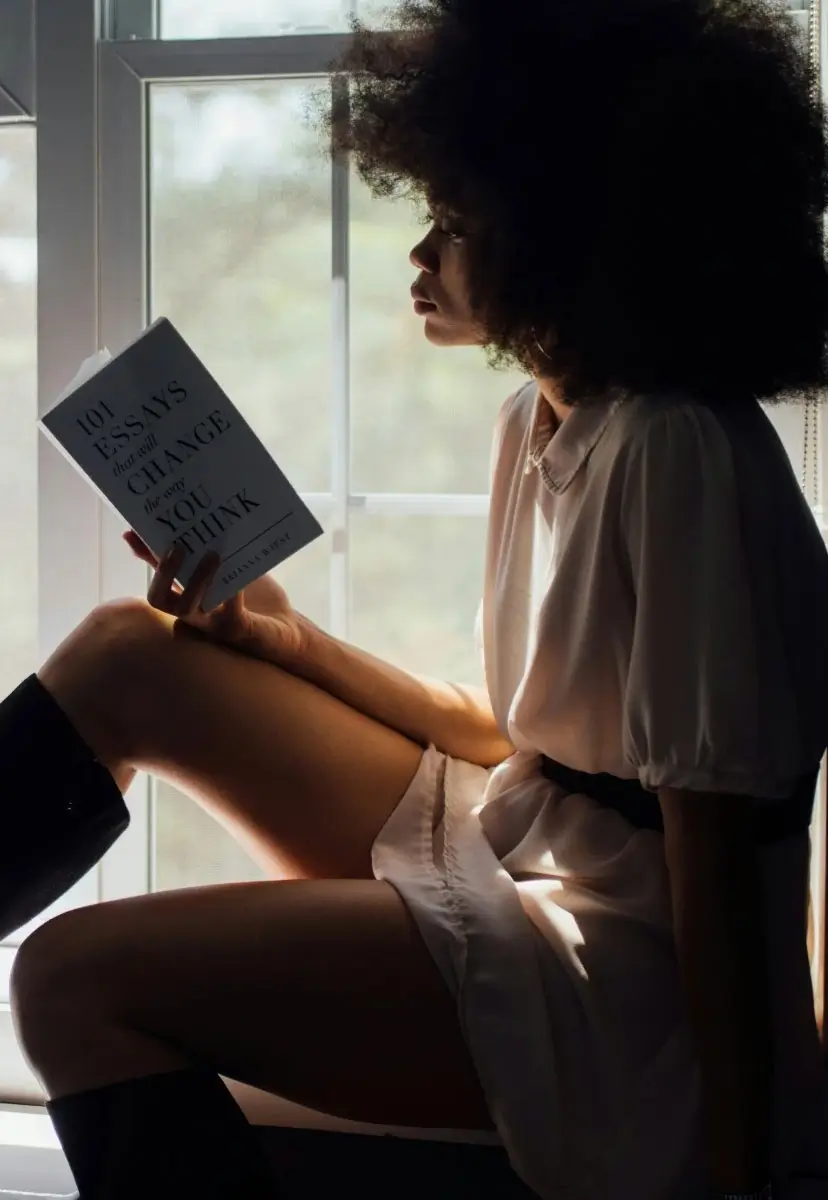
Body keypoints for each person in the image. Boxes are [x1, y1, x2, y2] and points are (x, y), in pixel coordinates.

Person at [2, 0, 828, 1196]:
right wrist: (279, 639)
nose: (419, 255)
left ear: (565, 238)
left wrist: (740, 1171)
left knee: (67, 980)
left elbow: (713, 848)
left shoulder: (679, 448)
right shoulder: (545, 421)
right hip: (522, 837)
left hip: (623, 983)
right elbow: (516, 734)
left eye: (453, 223)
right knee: (135, 653)